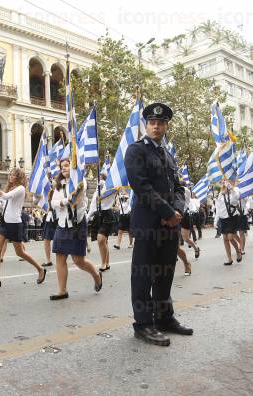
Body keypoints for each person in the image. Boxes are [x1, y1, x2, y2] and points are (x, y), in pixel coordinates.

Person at [124, 102, 192, 347]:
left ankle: (164, 318)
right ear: (146, 124)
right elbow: (141, 186)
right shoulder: (135, 151)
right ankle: (143, 324)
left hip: (169, 225)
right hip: (147, 224)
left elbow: (179, 187)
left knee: (165, 273)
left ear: (166, 126)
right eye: (152, 122)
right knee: (143, 275)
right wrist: (167, 211)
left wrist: (177, 211)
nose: (156, 126)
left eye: (161, 123)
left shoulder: (168, 155)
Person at [0, 168, 46, 288]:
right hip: (4, 223)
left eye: (14, 175)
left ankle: (40, 269)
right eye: (10, 174)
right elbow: (6, 201)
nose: (11, 176)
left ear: (19, 177)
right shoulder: (11, 188)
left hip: (15, 224)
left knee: (20, 253)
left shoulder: (20, 189)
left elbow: (5, 196)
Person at [49, 158, 102, 301]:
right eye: (62, 167)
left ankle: (96, 275)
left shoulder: (81, 181)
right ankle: (62, 291)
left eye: (67, 166)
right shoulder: (58, 185)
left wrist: (67, 200)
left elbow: (75, 199)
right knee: (60, 256)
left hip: (77, 224)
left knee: (78, 260)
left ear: (73, 168)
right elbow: (53, 203)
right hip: (62, 224)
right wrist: (62, 202)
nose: (64, 168)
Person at [87, 173, 117, 272]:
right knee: (104, 241)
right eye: (98, 178)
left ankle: (103, 263)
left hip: (107, 215)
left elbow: (111, 195)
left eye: (101, 178)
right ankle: (107, 263)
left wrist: (103, 186)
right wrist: (87, 218)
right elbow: (92, 206)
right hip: (98, 215)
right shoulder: (96, 191)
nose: (98, 180)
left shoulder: (110, 188)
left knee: (101, 239)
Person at [215, 181, 242, 265]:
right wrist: (216, 221)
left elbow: (237, 196)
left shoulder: (233, 195)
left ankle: (238, 251)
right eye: (223, 187)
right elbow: (218, 209)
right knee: (225, 239)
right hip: (223, 219)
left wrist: (230, 186)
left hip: (232, 218)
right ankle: (229, 259)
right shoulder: (220, 197)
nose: (224, 188)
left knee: (230, 237)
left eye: (225, 187)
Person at [179, 185, 200, 260]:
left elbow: (187, 194)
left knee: (186, 238)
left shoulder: (186, 191)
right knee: (174, 237)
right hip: (174, 215)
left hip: (184, 215)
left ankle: (196, 248)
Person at [41, 189, 57, 267]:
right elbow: (48, 209)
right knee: (47, 240)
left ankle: (62, 259)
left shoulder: (61, 190)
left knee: (59, 240)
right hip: (50, 219)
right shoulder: (50, 193)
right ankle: (48, 260)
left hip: (58, 219)